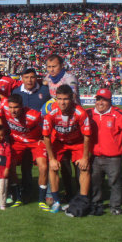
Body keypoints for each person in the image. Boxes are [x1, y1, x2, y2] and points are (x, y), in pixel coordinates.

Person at [87, 88, 122, 215]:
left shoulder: (117, 113)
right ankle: (96, 204)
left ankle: (115, 207)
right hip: (95, 156)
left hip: (113, 158)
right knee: (95, 182)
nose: (100, 103)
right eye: (98, 99)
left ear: (110, 101)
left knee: (115, 183)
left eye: (104, 100)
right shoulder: (89, 113)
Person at [43, 84, 91, 214]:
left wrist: (85, 157)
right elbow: (46, 137)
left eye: (65, 99)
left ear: (72, 98)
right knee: (52, 167)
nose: (62, 102)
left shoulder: (80, 113)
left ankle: (83, 200)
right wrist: (52, 159)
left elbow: (87, 136)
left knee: (84, 167)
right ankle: (56, 200)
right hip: (59, 142)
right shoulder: (51, 113)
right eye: (59, 99)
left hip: (77, 142)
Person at [0, 94, 49, 210]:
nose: (13, 111)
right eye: (11, 107)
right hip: (17, 141)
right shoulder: (4, 106)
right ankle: (17, 196)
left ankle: (41, 200)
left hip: (35, 142)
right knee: (9, 165)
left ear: (22, 107)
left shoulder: (33, 115)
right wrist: (0, 134)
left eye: (16, 107)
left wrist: (44, 138)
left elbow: (48, 123)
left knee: (43, 167)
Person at [11, 68, 51, 201]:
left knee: (42, 164)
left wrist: (45, 136)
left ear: (36, 78)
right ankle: (23, 190)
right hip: (21, 137)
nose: (29, 80)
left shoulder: (45, 90)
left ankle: (44, 194)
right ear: (21, 78)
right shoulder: (16, 91)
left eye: (32, 77)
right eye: (26, 77)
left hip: (38, 137)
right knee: (24, 165)